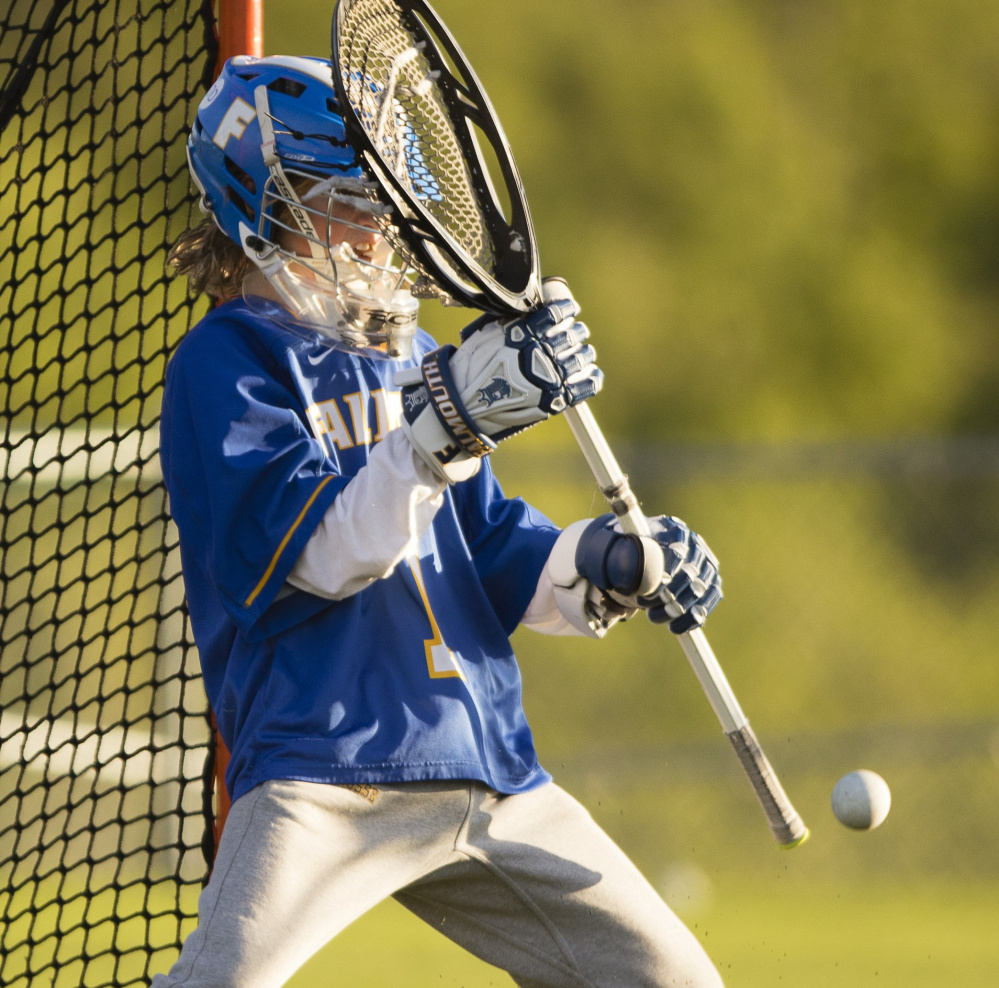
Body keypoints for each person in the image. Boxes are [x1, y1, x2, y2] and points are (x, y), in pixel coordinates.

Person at [155, 54, 725, 988]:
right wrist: (444, 426)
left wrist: (610, 562)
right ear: (264, 200)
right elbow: (321, 558)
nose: (381, 227)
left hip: (489, 767)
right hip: (328, 770)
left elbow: (489, 553)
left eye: (388, 200)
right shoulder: (227, 364)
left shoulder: (410, 353)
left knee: (672, 980)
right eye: (349, 198)